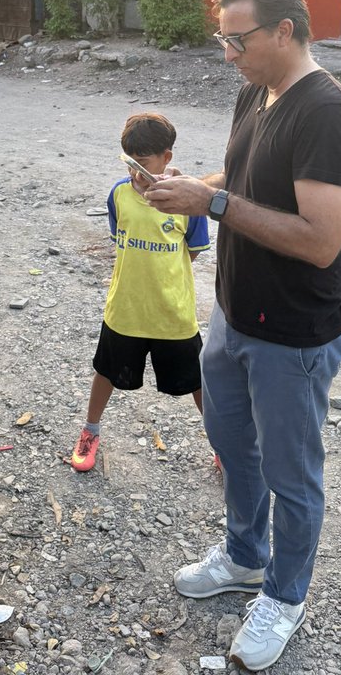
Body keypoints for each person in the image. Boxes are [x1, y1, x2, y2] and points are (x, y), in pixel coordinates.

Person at [145, 0, 341, 671]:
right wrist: (188, 187)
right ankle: (245, 555)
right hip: (236, 320)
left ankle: (285, 594)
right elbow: (240, 180)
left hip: (295, 337)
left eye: (237, 39)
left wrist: (209, 207)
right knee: (234, 448)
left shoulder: (328, 114)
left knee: (291, 473)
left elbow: (319, 238)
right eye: (222, 38)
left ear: (284, 30)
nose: (227, 53)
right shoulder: (257, 92)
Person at [71, 112, 210, 473]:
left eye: (144, 165)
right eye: (131, 164)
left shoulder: (189, 202)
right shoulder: (118, 194)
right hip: (125, 309)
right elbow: (121, 239)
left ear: (167, 157)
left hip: (173, 314)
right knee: (104, 370)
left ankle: (222, 444)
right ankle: (90, 431)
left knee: (198, 381)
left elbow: (192, 251)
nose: (136, 174)